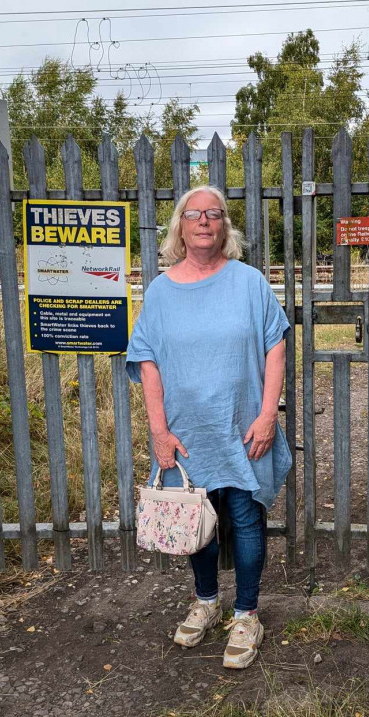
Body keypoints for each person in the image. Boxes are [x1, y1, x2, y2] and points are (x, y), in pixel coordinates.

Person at [125, 185, 291, 670]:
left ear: (225, 227)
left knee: (243, 518)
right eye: (194, 215)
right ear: (179, 226)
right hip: (187, 433)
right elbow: (147, 360)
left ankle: (246, 613)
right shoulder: (160, 291)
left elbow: (275, 347)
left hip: (243, 428)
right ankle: (205, 600)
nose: (204, 222)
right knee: (193, 517)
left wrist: (267, 415)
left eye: (214, 215)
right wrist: (159, 431)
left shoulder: (249, 283)